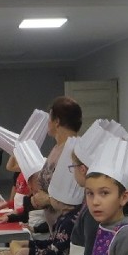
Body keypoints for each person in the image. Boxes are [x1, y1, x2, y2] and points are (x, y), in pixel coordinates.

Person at [10, 137, 84, 255]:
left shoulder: (69, 221)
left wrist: (28, 251)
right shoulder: (63, 217)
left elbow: (54, 253)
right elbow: (51, 242)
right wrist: (27, 244)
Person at [30, 97, 82, 227]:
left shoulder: (74, 151)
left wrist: (47, 200)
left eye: (49, 119)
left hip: (69, 226)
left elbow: (76, 198)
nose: (47, 123)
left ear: (57, 121)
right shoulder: (57, 147)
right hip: (54, 224)